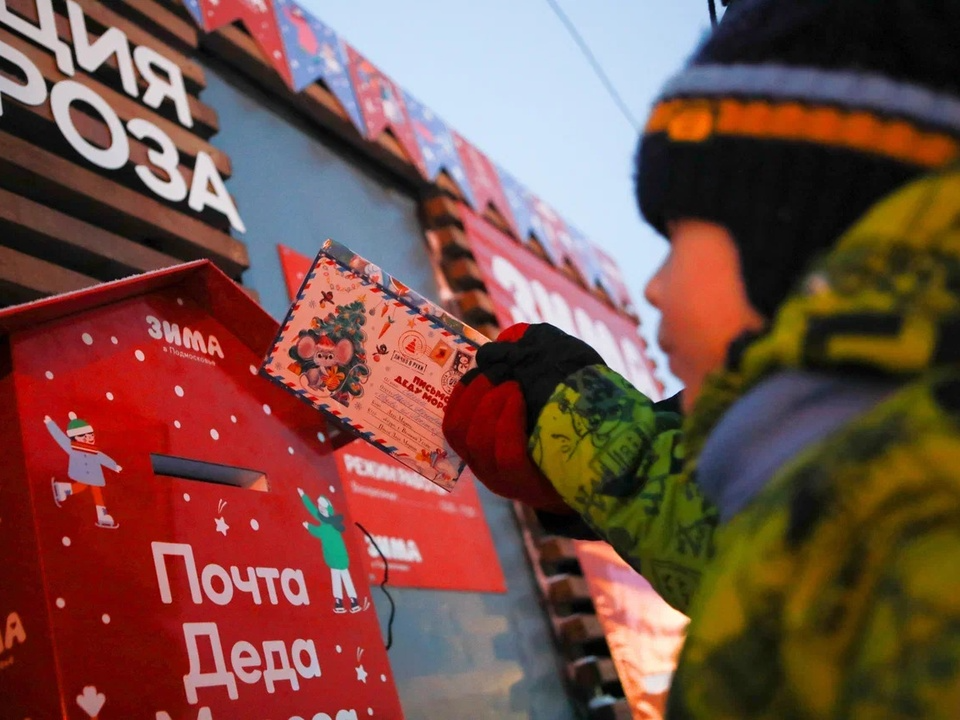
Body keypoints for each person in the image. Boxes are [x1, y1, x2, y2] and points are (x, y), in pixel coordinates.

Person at [442, 1, 960, 717]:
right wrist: (573, 437)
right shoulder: (868, 483)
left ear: (793, 242)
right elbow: (748, 536)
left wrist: (573, 418)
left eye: (677, 235)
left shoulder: (915, 524)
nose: (654, 286)